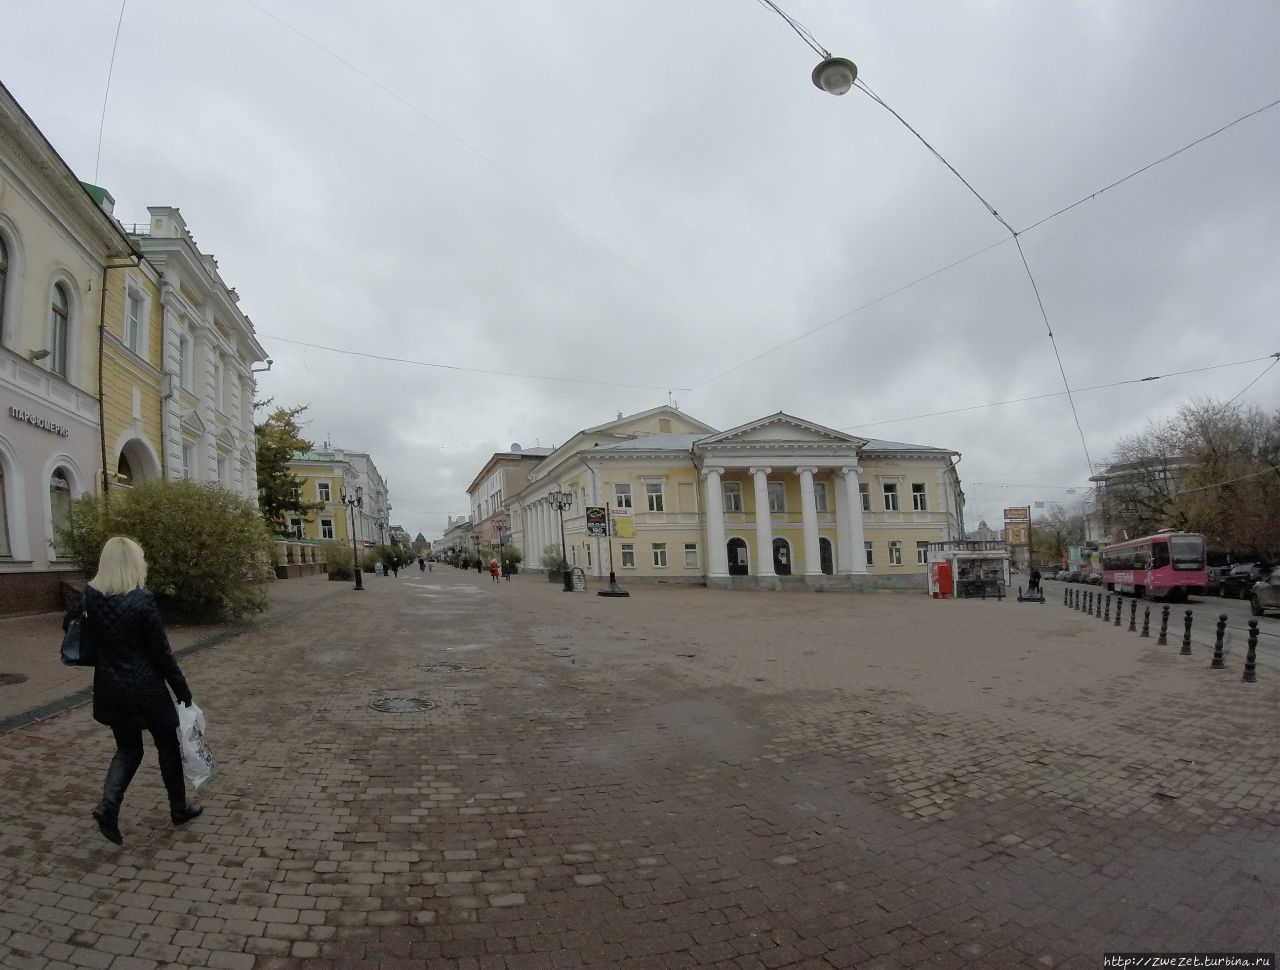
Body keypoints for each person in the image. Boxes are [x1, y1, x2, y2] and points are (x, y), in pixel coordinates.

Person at [66, 536, 202, 846]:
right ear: (135, 563)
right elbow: (162, 653)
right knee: (166, 744)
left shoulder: (90, 596)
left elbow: (70, 624)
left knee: (128, 749)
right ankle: (178, 809)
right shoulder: (142, 600)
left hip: (110, 686)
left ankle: (108, 807)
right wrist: (182, 689)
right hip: (146, 687)